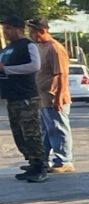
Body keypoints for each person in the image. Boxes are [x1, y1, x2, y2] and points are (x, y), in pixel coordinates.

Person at [1, 16, 49, 182]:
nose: (5, 32)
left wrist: (7, 70)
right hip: (12, 97)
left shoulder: (28, 45)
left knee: (32, 134)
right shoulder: (7, 49)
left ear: (18, 29)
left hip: (26, 97)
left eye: (8, 28)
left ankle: (41, 166)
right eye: (4, 28)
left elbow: (34, 66)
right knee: (19, 135)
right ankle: (32, 163)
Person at [28, 18, 73, 173]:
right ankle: (43, 160)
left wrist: (59, 97)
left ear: (42, 31)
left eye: (33, 33)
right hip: (43, 98)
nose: (31, 36)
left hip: (54, 97)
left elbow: (62, 75)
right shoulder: (41, 47)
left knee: (58, 129)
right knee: (46, 131)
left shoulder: (55, 48)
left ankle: (64, 161)